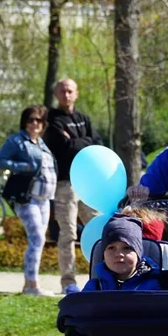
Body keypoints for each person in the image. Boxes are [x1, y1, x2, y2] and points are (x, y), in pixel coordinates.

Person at [44, 78, 102, 295]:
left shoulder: (83, 118)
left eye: (70, 91)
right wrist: (83, 142)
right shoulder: (52, 120)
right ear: (57, 94)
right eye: (62, 91)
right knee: (67, 233)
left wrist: (78, 142)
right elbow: (64, 148)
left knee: (98, 227)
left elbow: (98, 144)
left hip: (87, 182)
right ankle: (68, 281)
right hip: (65, 184)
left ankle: (100, 275)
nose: (66, 95)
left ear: (76, 94)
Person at [0, 105, 58, 296]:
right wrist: (23, 166)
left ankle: (30, 285)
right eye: (30, 119)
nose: (34, 123)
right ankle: (32, 285)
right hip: (26, 198)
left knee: (39, 240)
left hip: (44, 199)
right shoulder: (17, 141)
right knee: (37, 238)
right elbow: (0, 160)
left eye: (38, 120)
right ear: (24, 122)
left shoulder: (41, 143)